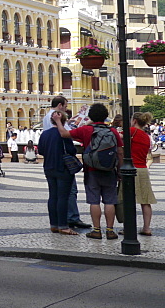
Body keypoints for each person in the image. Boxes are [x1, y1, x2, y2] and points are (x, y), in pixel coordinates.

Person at [52, 102, 121, 240]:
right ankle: (110, 230)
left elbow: (64, 133)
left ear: (90, 116)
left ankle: (96, 230)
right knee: (109, 201)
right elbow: (120, 151)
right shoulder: (112, 131)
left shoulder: (86, 130)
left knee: (94, 201)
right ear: (106, 116)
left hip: (92, 170)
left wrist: (58, 121)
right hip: (109, 170)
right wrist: (119, 170)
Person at [37, 110, 79, 235]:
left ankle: (54, 224)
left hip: (49, 167)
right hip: (63, 168)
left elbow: (40, 151)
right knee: (63, 197)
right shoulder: (64, 134)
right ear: (65, 121)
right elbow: (71, 150)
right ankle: (63, 226)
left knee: (53, 196)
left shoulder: (45, 134)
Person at [129, 112, 157, 236]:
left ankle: (128, 227)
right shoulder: (146, 136)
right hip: (143, 169)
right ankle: (147, 228)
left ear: (134, 121)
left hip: (130, 169)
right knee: (146, 200)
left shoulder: (130, 132)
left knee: (128, 200)